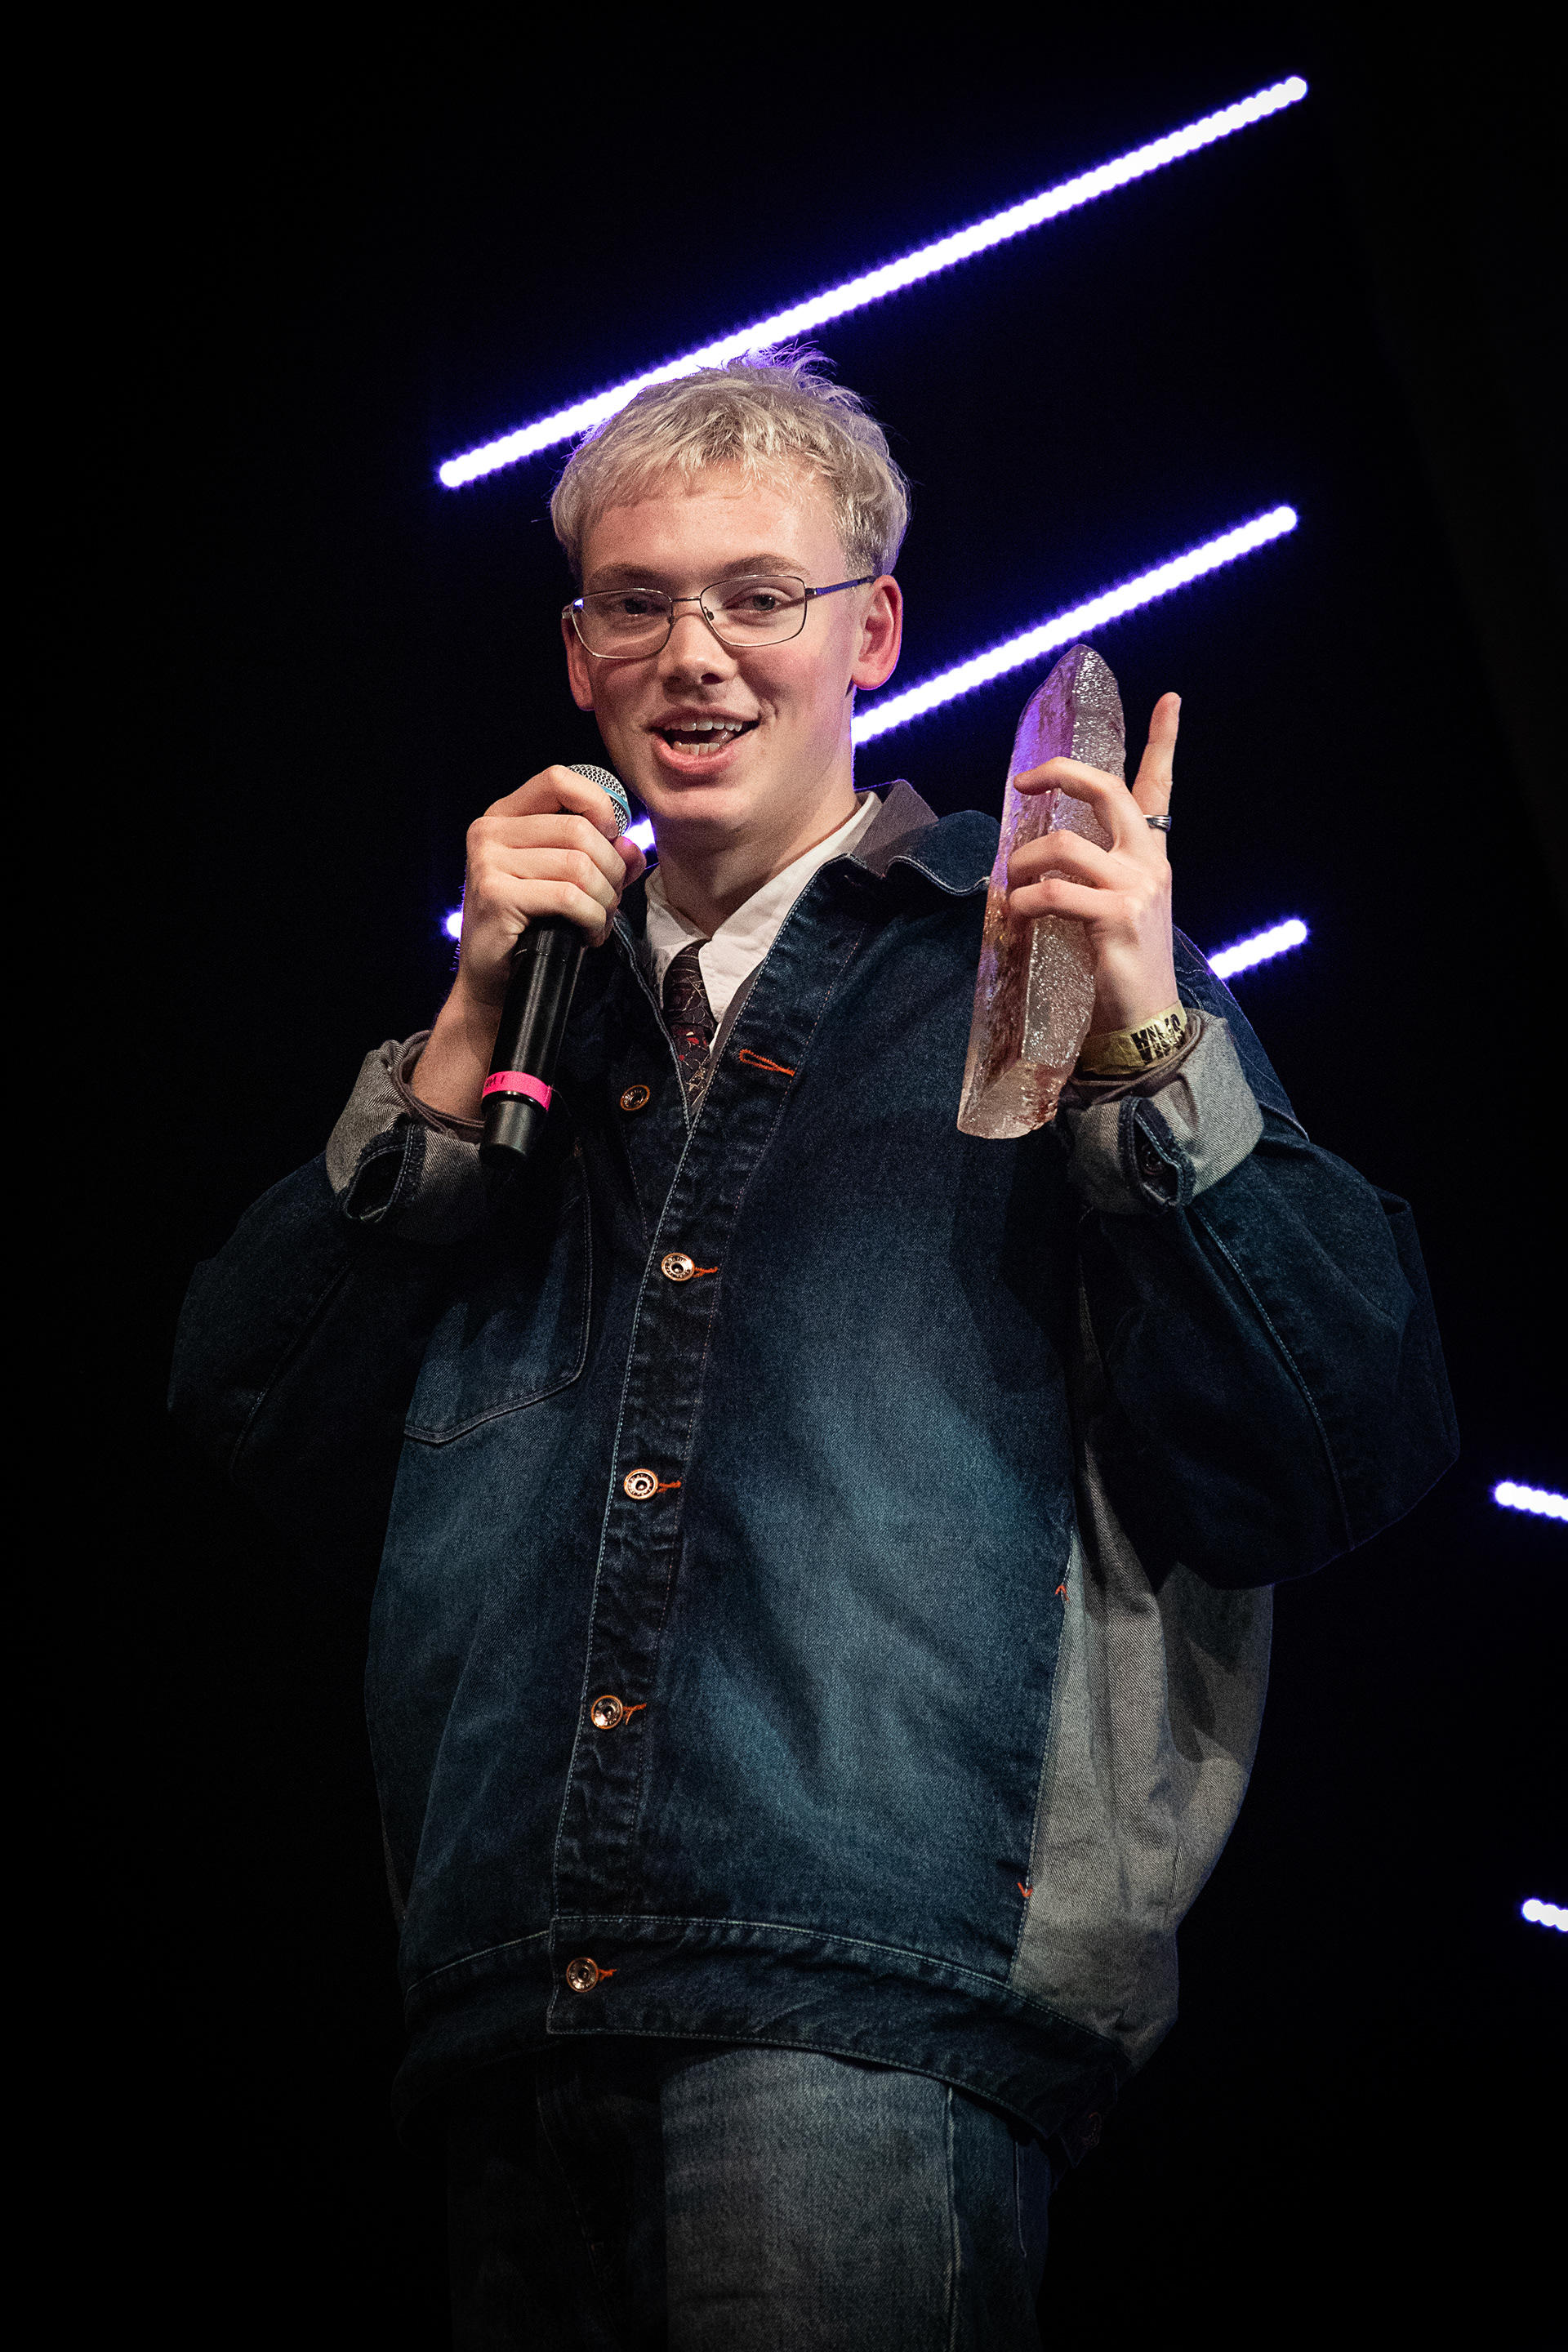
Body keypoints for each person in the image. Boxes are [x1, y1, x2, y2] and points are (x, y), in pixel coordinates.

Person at [172, 351, 1456, 2348]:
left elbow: (1335, 1438)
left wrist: (1146, 1036)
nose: (694, 655)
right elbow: (252, 1427)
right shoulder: (522, 1030)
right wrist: (455, 1045)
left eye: (756, 597)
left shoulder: (1040, 960)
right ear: (578, 655)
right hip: (515, 2007)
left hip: (873, 1998)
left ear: (873, 631)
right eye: (637, 602)